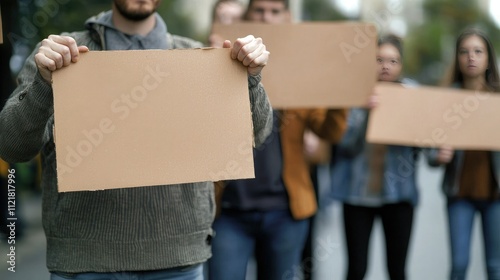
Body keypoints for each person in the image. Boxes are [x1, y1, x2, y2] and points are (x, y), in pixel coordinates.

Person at [0, 0, 274, 279]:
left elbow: (260, 134)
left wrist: (251, 80)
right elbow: (12, 147)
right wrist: (43, 85)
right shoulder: (61, 56)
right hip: (84, 262)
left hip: (178, 259)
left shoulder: (197, 57)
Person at [208, 0, 347, 279]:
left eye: (275, 12)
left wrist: (339, 93)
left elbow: (329, 132)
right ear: (247, 16)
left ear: (287, 17)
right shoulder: (223, 58)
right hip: (230, 210)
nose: (267, 18)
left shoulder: (303, 68)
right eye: (259, 11)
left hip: (284, 210)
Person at [330, 35, 419, 280]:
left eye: (393, 60)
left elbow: (426, 144)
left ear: (401, 65)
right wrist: (365, 113)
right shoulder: (353, 94)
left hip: (399, 195)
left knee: (397, 270)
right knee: (356, 269)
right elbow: (343, 145)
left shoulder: (413, 95)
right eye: (379, 59)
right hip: (357, 195)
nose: (386, 66)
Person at [429, 28, 500, 280]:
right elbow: (429, 149)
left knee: (495, 267)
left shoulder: (498, 97)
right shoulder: (447, 98)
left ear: (488, 58)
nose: (471, 57)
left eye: (478, 52)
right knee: (459, 265)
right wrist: (438, 155)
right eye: (464, 52)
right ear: (457, 58)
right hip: (459, 194)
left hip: (495, 195)